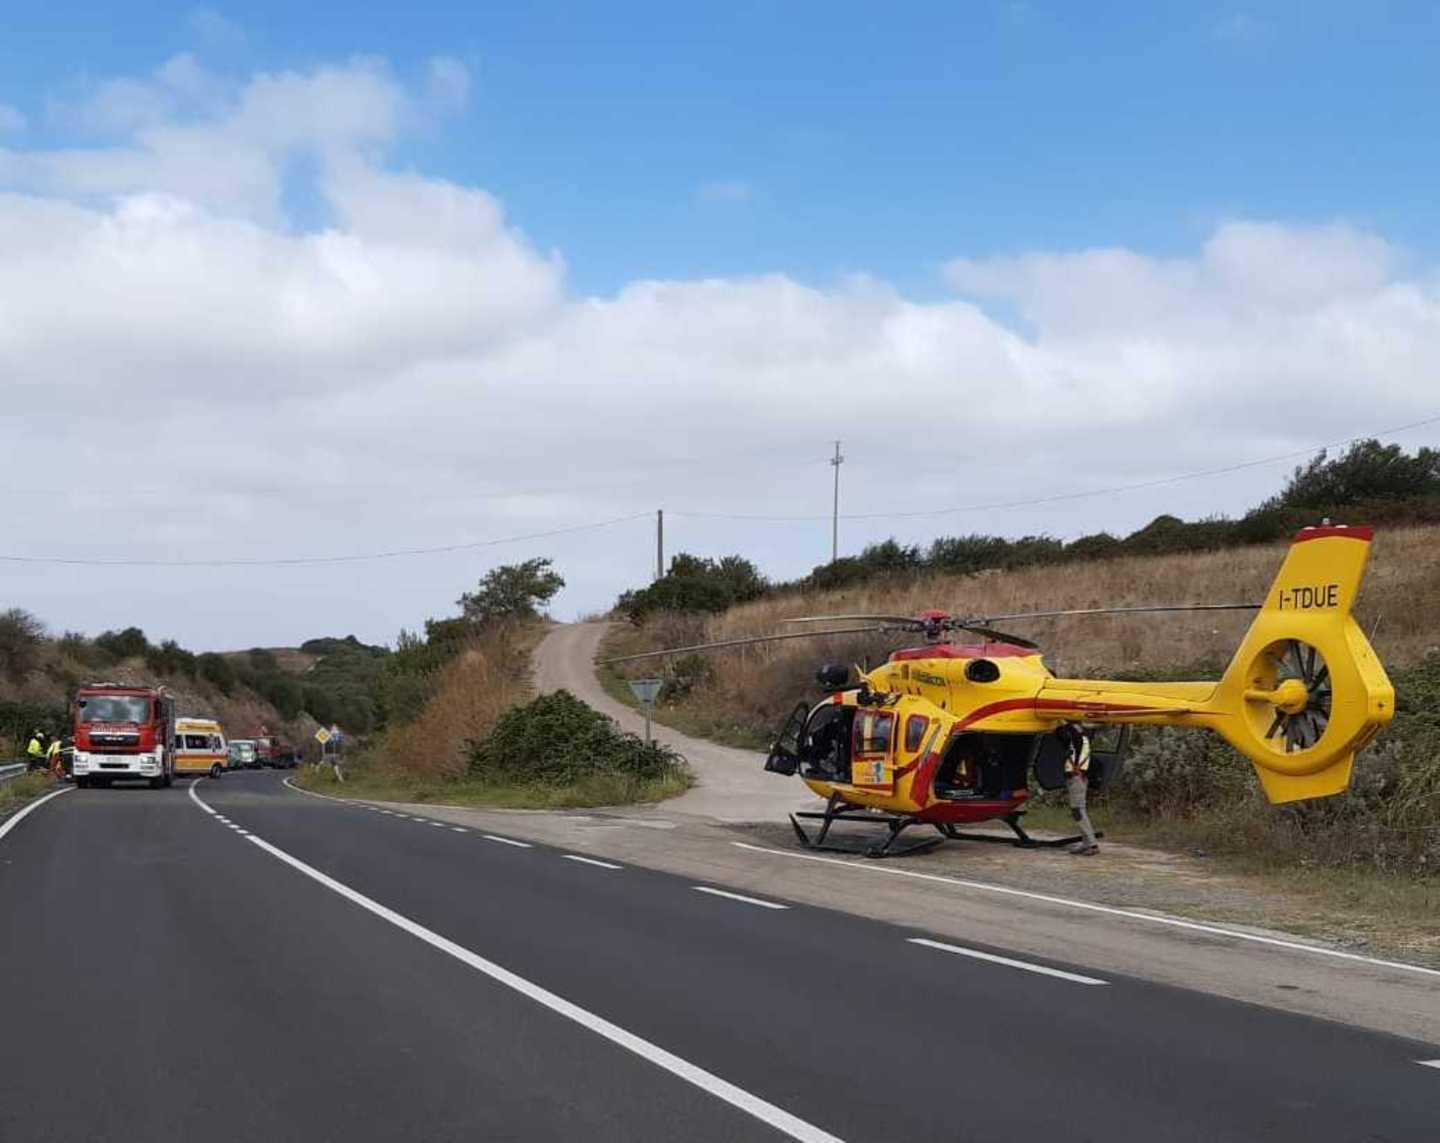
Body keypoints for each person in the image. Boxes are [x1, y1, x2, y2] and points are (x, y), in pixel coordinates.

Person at [1060, 723, 1100, 856]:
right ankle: (1086, 843)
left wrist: (1065, 722)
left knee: (1078, 810)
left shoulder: (1080, 739)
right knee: (1079, 809)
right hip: (1077, 777)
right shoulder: (1082, 739)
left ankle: (1092, 844)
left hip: (1077, 777)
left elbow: (1071, 732)